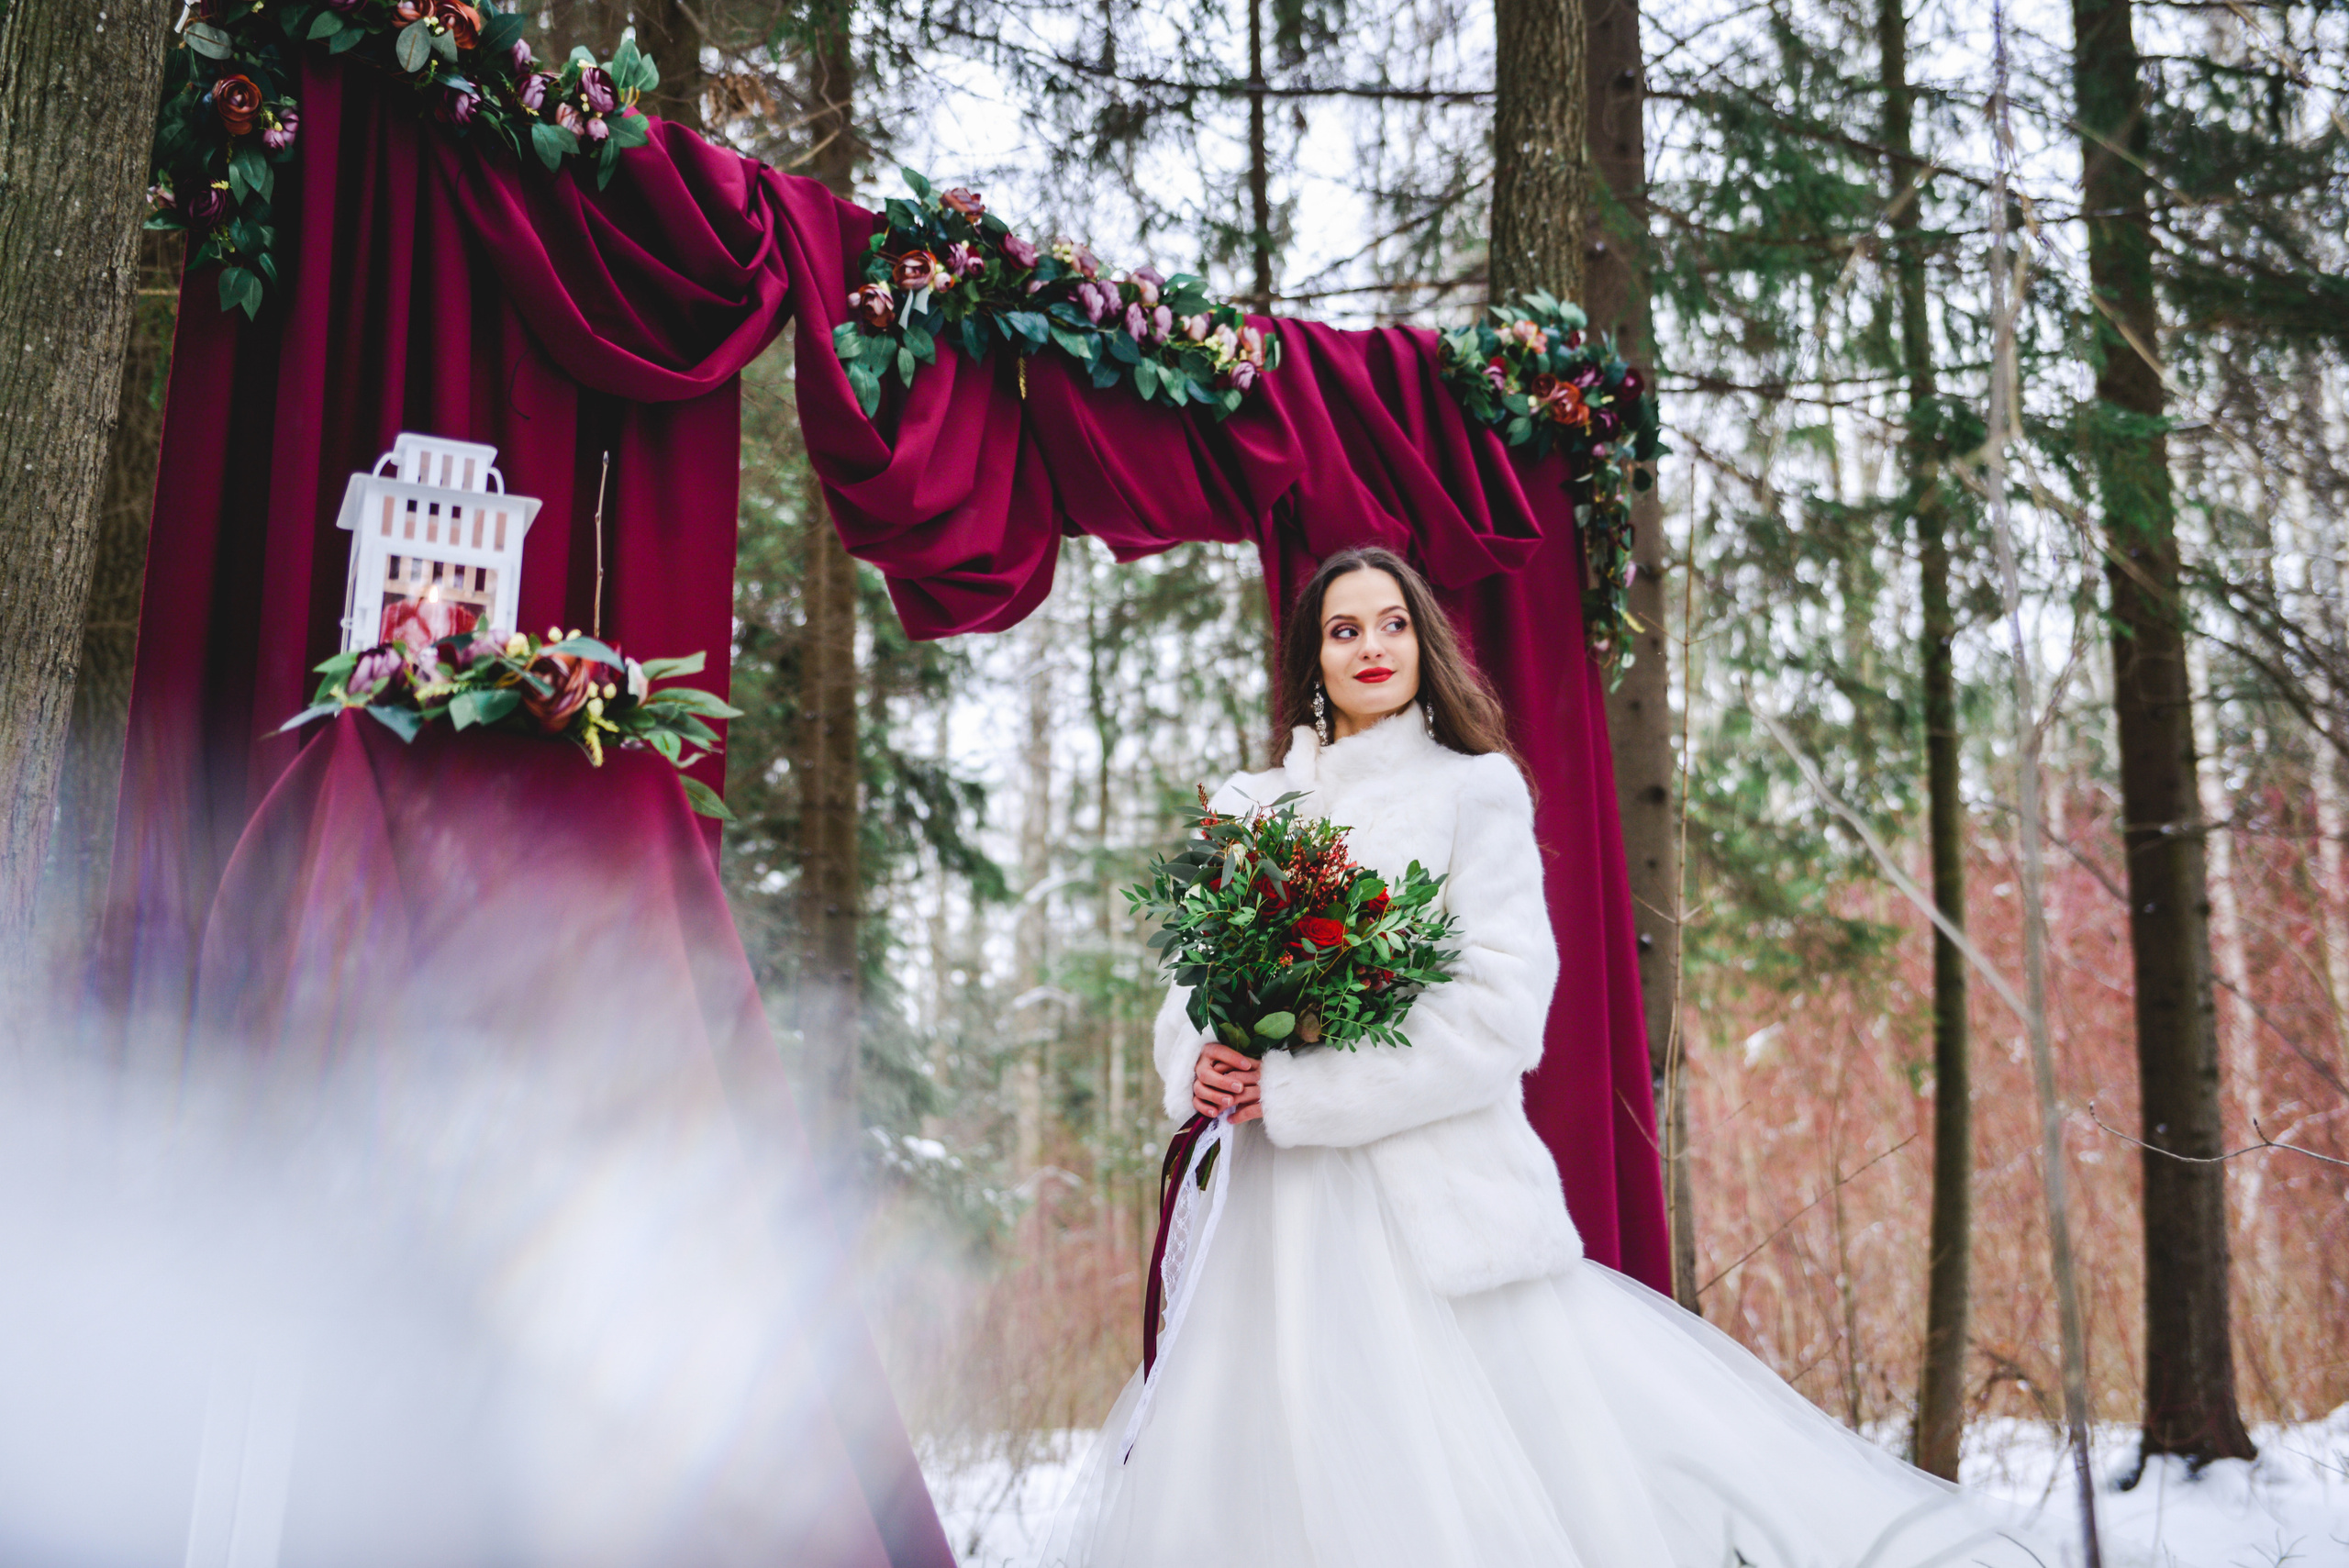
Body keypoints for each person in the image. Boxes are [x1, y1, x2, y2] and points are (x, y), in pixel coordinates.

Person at [1039, 546, 2048, 1568]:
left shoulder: (1474, 794)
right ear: (1312, 659)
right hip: (1264, 1218)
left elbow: (1497, 1019)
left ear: (1423, 641)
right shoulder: (1251, 808)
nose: (1371, 646)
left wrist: (1297, 1087)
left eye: (1391, 622)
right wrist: (1201, 1058)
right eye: (1344, 630)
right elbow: (1192, 985)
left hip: (1434, 1218)